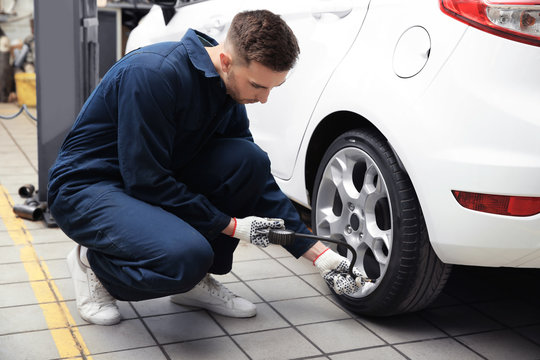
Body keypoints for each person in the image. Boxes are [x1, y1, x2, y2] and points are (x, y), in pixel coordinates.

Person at [48, 9, 365, 326]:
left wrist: (318, 254)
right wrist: (231, 225)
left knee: (248, 160)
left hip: (149, 177)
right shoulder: (154, 74)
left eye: (273, 88)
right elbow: (146, 180)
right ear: (226, 61)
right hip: (88, 188)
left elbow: (256, 182)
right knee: (186, 257)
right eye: (258, 85)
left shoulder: (226, 88)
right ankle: (93, 266)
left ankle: (193, 284)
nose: (264, 99)